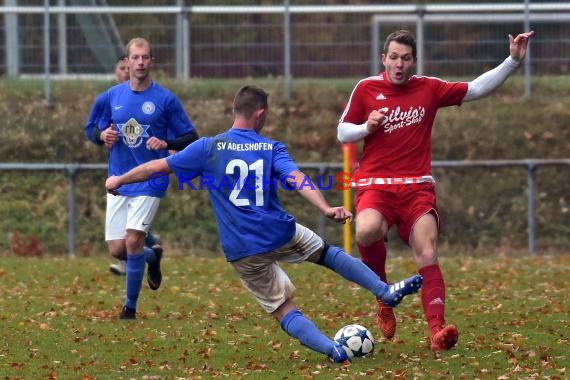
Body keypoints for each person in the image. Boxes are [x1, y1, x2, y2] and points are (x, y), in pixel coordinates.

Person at [105, 85, 423, 362]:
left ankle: (332, 350)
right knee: (327, 253)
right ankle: (383, 289)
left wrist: (120, 178)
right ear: (259, 114)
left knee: (284, 308)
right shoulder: (270, 147)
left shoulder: (208, 147)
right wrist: (325, 207)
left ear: (236, 111)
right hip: (279, 230)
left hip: (242, 249)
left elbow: (157, 167)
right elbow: (296, 178)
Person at [337, 30, 534, 351]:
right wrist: (366, 128)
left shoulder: (428, 88)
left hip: (416, 189)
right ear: (383, 59)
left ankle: (437, 332)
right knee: (366, 231)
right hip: (378, 186)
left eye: (405, 58)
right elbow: (343, 132)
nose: (399, 64)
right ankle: (383, 296)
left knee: (427, 252)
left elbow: (475, 89)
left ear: (414, 61)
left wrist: (512, 61)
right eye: (393, 57)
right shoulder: (366, 89)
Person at [98, 38, 199, 320]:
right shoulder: (113, 96)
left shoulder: (165, 99)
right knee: (118, 249)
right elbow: (99, 129)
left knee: (132, 243)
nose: (140, 62)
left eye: (145, 58)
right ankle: (152, 258)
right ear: (126, 62)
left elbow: (192, 136)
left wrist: (165, 141)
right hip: (119, 180)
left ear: (151, 62)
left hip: (152, 179)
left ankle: (129, 309)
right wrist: (102, 135)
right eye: (136, 58)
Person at [84, 54, 164, 277]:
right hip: (117, 172)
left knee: (131, 237)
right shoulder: (107, 99)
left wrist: (168, 145)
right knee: (118, 247)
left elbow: (162, 128)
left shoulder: (154, 99)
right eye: (121, 68)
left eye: (127, 67)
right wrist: (101, 135)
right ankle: (149, 253)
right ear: (117, 71)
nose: (126, 72)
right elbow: (90, 130)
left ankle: (130, 297)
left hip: (145, 175)